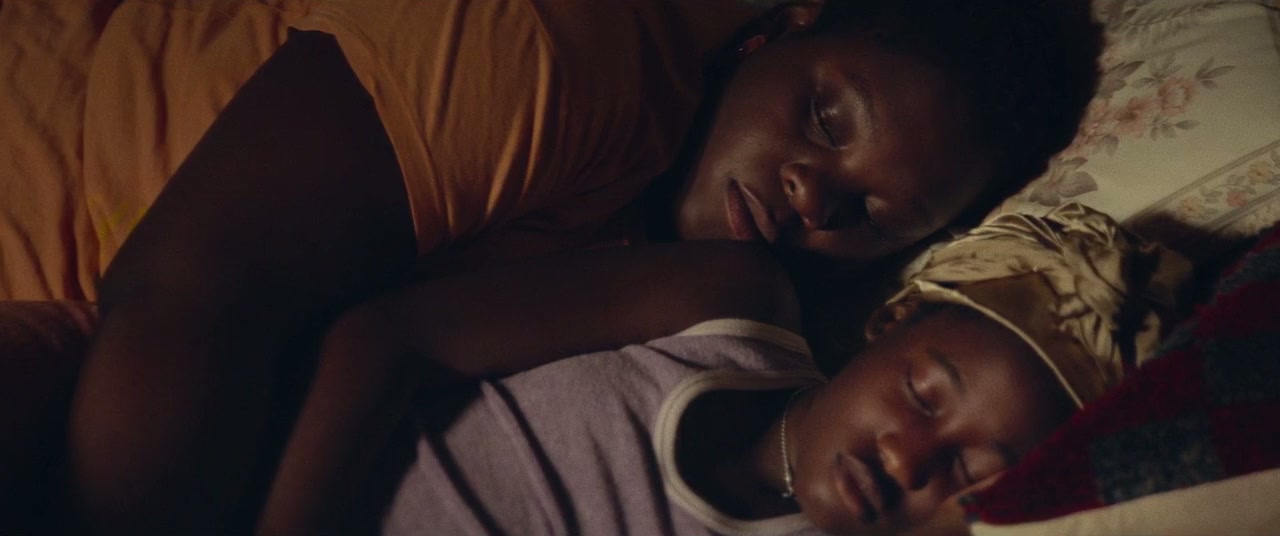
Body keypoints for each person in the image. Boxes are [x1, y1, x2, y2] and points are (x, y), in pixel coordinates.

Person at [0, 0, 1102, 531]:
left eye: (868, 214)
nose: (814, 195)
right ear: (779, 30)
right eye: (823, 116)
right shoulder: (565, 52)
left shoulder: (641, 266)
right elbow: (192, 293)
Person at [258, 203, 1191, 535]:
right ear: (892, 324)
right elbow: (388, 339)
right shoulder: (725, 305)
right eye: (921, 393)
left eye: (970, 474)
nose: (908, 457)